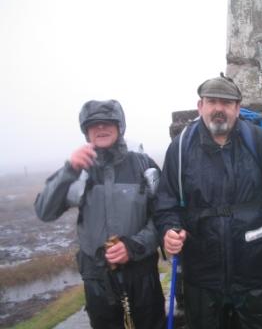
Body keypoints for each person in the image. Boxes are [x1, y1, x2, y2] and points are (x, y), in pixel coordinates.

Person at [154, 73, 262, 329]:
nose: (219, 109)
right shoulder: (181, 147)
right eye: (212, 101)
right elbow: (167, 202)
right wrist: (168, 230)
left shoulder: (259, 141)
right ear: (200, 106)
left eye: (227, 102)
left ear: (237, 108)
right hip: (202, 270)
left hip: (254, 265)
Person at [34, 99, 165, 329]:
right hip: (97, 278)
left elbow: (163, 217)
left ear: (120, 126)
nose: (101, 128)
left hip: (143, 275)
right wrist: (68, 171)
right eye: (94, 124)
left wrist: (133, 246)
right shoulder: (77, 169)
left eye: (108, 123)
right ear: (86, 131)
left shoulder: (143, 164)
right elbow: (45, 211)